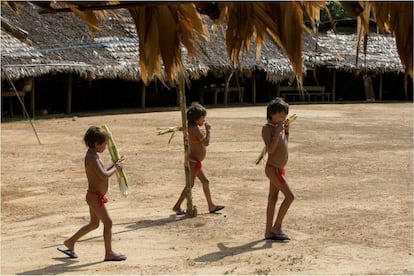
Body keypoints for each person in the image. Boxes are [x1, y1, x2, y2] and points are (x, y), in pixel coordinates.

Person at [57, 126, 127, 261]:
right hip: (95, 197)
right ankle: (109, 253)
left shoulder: (93, 155)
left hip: (94, 196)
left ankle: (70, 242)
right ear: (96, 144)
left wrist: (114, 166)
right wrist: (116, 168)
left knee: (94, 224)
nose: (105, 148)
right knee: (108, 223)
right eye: (104, 145)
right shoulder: (92, 158)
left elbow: (101, 173)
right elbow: (103, 175)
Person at [172, 102, 224, 215]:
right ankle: (177, 206)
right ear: (196, 119)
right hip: (193, 162)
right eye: (202, 118)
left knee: (205, 181)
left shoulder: (192, 127)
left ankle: (211, 205)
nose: (204, 121)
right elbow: (206, 143)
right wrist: (209, 130)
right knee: (190, 185)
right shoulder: (194, 129)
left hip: (195, 161)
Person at [261, 98, 295, 240]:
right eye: (279, 113)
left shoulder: (279, 128)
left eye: (284, 113)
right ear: (271, 114)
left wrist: (286, 132)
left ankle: (268, 231)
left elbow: (284, 144)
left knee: (273, 198)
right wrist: (277, 132)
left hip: (279, 168)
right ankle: (277, 227)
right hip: (272, 168)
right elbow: (271, 149)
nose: (282, 116)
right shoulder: (267, 128)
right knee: (290, 196)